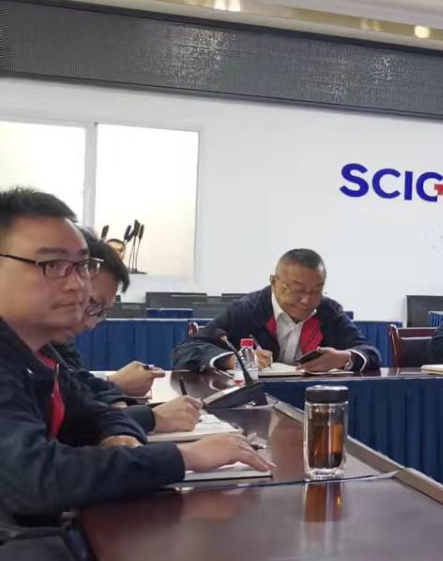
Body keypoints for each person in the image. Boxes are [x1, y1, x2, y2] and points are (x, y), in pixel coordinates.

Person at [0, 187, 266, 522]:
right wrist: (184, 457)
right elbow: (34, 480)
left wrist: (119, 435)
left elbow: (93, 410)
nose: (78, 285)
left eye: (82, 266)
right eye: (53, 264)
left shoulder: (37, 352)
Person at [49, 231, 201, 436]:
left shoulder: (56, 343)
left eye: (101, 311)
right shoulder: (19, 348)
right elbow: (60, 430)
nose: (91, 324)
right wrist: (150, 418)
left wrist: (116, 402)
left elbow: (78, 388)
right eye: (90, 303)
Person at [172, 249, 379, 373]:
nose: (307, 300)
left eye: (316, 291)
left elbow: (370, 352)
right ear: (274, 282)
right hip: (253, 403)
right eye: (297, 290)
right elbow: (186, 350)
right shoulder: (248, 310)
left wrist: (345, 358)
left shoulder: (328, 311)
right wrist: (233, 360)